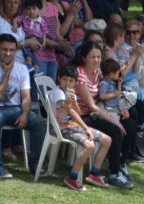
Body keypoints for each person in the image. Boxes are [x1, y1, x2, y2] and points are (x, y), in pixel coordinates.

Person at [0, 34, 47, 178]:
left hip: (16, 109)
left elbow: (26, 96)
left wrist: (24, 114)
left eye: (12, 50)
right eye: (4, 49)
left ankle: (35, 166)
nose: (8, 53)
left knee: (39, 122)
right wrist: (7, 73)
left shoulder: (22, 69)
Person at [72, 41, 134, 189]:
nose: (96, 60)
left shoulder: (98, 72)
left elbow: (114, 80)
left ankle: (121, 163)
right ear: (84, 57)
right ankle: (113, 173)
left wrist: (120, 109)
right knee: (115, 130)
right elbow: (91, 105)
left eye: (99, 57)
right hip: (84, 116)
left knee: (130, 125)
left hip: (99, 112)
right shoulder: (79, 75)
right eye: (93, 57)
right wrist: (115, 121)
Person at [51, 65, 111, 190]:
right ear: (59, 79)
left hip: (76, 126)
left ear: (74, 83)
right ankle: (72, 177)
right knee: (90, 146)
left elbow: (77, 112)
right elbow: (71, 113)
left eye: (71, 81)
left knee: (107, 140)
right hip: (65, 128)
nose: (67, 83)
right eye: (65, 79)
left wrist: (73, 102)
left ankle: (94, 174)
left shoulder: (70, 92)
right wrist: (86, 128)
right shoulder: (58, 93)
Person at [18, 0, 48, 74]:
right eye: (29, 8)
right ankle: (35, 68)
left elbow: (44, 32)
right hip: (27, 39)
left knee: (30, 53)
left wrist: (44, 42)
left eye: (34, 9)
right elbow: (16, 19)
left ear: (39, 10)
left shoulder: (41, 21)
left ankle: (29, 66)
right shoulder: (24, 18)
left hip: (37, 39)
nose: (31, 11)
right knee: (30, 53)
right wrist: (15, 24)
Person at [97, 58, 133, 122]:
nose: (118, 74)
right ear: (111, 74)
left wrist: (119, 84)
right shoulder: (104, 83)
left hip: (117, 106)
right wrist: (113, 94)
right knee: (116, 120)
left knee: (129, 115)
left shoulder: (112, 82)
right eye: (117, 73)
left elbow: (118, 93)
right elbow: (102, 96)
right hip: (110, 108)